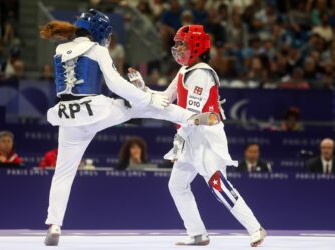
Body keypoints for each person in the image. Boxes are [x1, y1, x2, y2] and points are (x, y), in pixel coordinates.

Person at [39, 9, 218, 246]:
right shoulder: (97, 49)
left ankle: (54, 225)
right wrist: (147, 98)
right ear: (98, 31)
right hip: (95, 110)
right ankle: (192, 117)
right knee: (148, 106)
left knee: (63, 173)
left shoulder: (59, 50)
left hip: (67, 117)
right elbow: (116, 85)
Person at [130, 25, 266, 247]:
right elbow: (166, 98)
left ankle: (256, 228)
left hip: (205, 135)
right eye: (176, 44)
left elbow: (191, 114)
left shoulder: (202, 73)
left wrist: (160, 116)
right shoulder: (184, 71)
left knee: (217, 184)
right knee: (177, 185)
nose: (177, 48)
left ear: (196, 47)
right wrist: (142, 89)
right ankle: (197, 234)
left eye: (181, 44)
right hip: (188, 134)